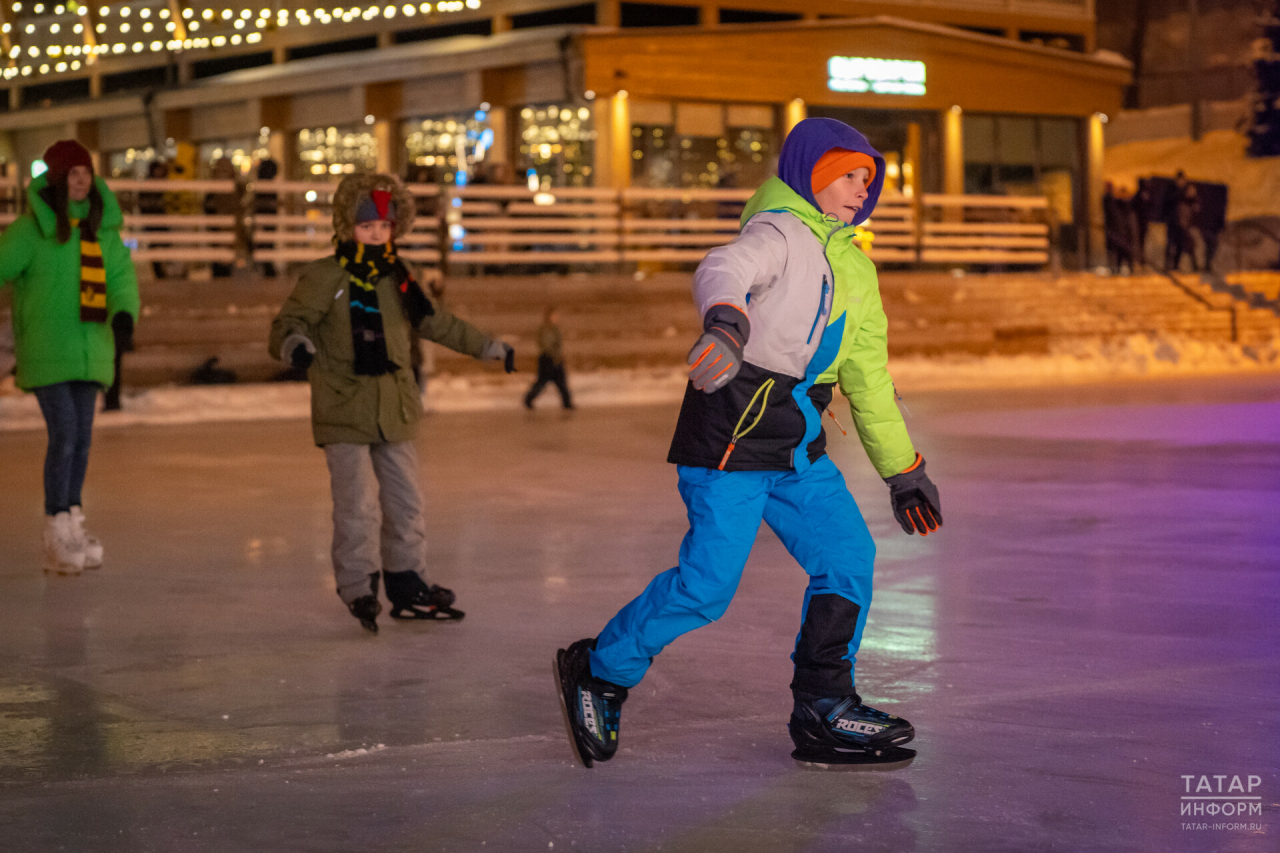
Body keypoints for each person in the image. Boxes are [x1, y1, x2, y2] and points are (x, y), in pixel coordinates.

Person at [553, 118, 943, 768]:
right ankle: (599, 668)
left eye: (867, 179)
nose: (860, 189)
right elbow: (723, 267)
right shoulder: (778, 232)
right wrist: (728, 323)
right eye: (847, 174)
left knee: (847, 556)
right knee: (706, 586)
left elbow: (867, 377)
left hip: (798, 448)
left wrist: (903, 468)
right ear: (811, 171)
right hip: (732, 438)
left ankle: (823, 705)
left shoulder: (857, 269)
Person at [269, 172, 516, 633]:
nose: (377, 234)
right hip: (344, 408)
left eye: (384, 226)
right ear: (348, 227)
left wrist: (487, 347)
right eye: (367, 226)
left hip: (394, 410)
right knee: (356, 507)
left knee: (406, 503)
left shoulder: (399, 278)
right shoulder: (327, 276)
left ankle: (407, 582)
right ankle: (358, 586)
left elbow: (435, 322)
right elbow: (287, 324)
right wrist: (297, 345)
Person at [0, 140, 140, 574]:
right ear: (57, 180)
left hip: (92, 349)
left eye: (87, 172)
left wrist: (123, 316)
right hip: (47, 349)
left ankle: (73, 519)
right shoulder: (30, 232)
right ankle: (55, 524)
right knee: (64, 436)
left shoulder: (103, 232)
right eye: (73, 173)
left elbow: (121, 280)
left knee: (81, 439)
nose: (82, 180)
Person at [523, 306, 573, 410]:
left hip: (556, 359)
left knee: (561, 383)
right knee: (541, 382)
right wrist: (553, 355)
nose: (556, 317)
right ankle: (528, 400)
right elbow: (545, 345)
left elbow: (558, 345)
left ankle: (567, 403)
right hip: (547, 359)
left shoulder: (555, 329)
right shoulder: (544, 330)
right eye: (554, 315)